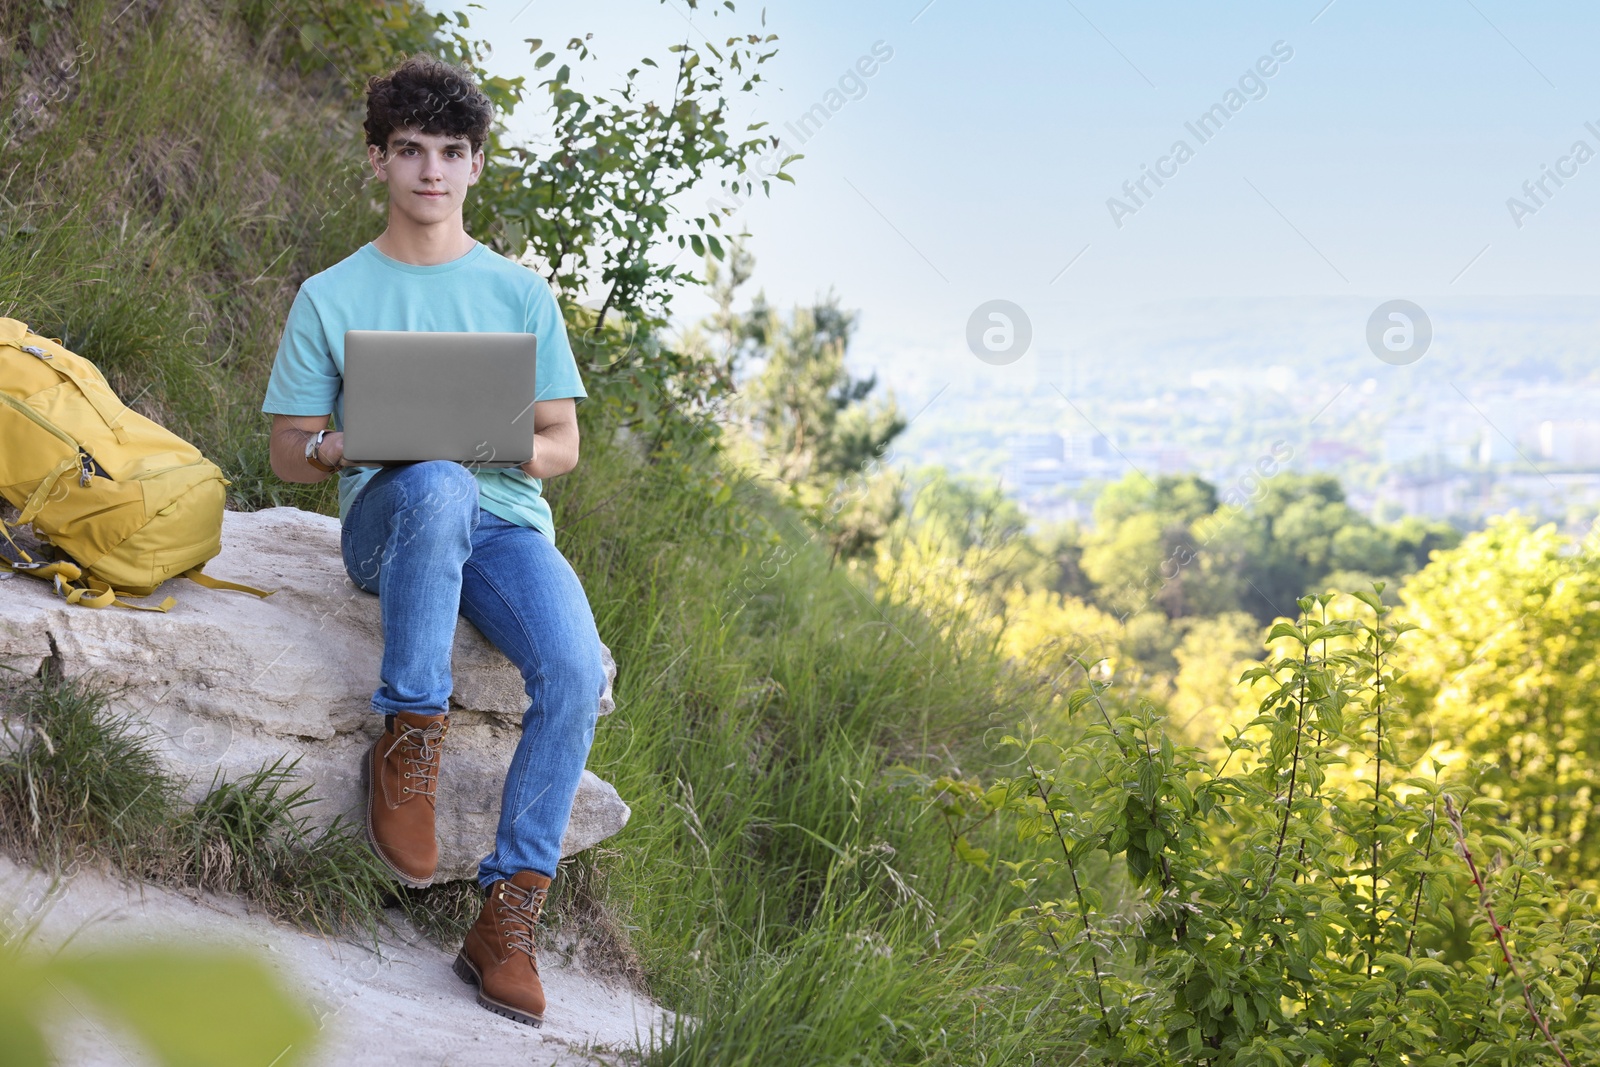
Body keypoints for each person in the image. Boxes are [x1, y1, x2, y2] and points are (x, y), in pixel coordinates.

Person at [260, 53, 606, 1030]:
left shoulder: (517, 295)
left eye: (451, 152)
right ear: (377, 160)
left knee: (575, 671)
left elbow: (561, 443)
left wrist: (478, 435)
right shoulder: (331, 294)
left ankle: (506, 918)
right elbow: (289, 454)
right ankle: (410, 738)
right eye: (409, 150)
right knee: (437, 483)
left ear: (475, 167)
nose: (430, 172)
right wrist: (350, 442)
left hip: (506, 523)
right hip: (390, 520)